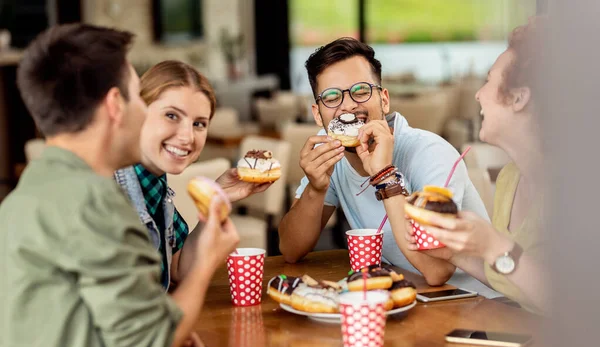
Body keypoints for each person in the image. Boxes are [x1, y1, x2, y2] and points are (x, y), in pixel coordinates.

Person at [0, 23, 239, 347]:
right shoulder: (96, 203)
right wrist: (207, 259)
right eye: (138, 99)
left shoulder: (26, 194)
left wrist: (161, 325)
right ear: (115, 106)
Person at [278, 37, 494, 296]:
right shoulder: (332, 159)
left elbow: (437, 271)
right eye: (332, 97)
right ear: (317, 114)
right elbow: (290, 250)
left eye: (360, 91)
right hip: (401, 296)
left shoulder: (430, 153)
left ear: (384, 100)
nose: (347, 106)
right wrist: (315, 189)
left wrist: (384, 175)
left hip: (470, 306)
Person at [404, 19, 548, 314]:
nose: (478, 94)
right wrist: (453, 251)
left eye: (489, 81)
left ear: (520, 98)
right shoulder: (511, 178)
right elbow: (512, 278)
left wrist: (494, 245)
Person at [115, 60, 270, 291]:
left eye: (199, 123)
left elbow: (178, 269)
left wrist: (216, 202)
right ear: (138, 111)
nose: (188, 137)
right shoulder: (109, 190)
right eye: (172, 116)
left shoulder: (156, 183)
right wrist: (209, 259)